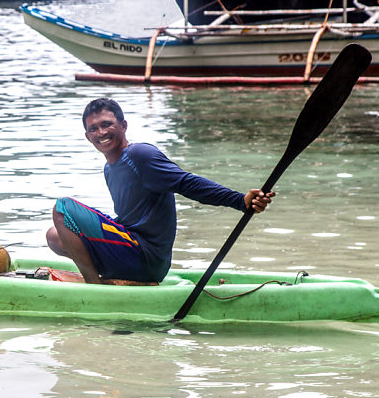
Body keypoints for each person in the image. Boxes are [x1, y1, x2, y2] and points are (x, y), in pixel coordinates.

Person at [46, 98, 273, 285]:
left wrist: (240, 200)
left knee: (63, 208)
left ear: (123, 126)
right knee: (55, 236)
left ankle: (95, 287)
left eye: (107, 124)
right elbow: (129, 220)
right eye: (93, 129)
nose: (101, 132)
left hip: (146, 257)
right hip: (131, 250)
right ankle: (116, 280)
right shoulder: (109, 169)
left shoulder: (140, 155)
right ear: (88, 136)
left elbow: (187, 183)